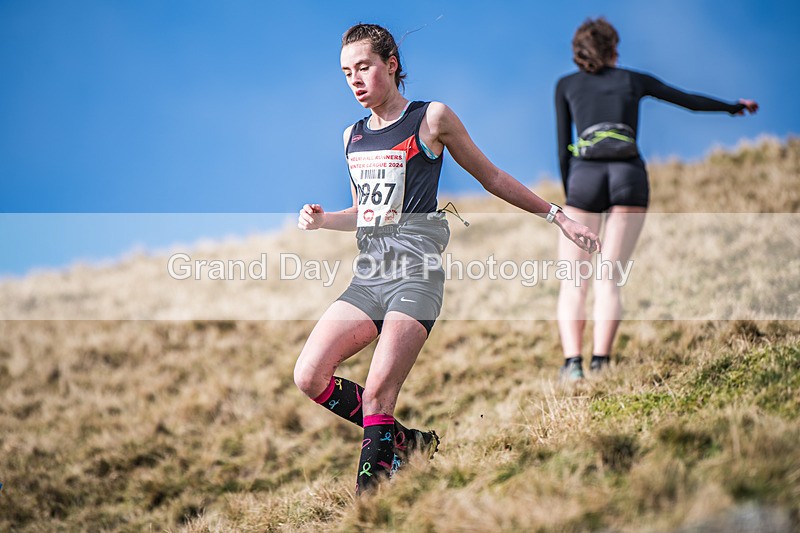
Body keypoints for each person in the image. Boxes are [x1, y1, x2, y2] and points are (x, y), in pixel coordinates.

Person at [293, 23, 600, 495]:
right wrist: (324, 219)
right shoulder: (351, 138)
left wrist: (559, 217)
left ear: (391, 65)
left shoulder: (430, 118)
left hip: (416, 276)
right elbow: (367, 212)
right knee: (309, 375)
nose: (354, 80)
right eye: (346, 72)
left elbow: (492, 176)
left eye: (364, 67)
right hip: (370, 276)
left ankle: (369, 511)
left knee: (377, 392)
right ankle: (407, 443)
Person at [554, 17, 758, 379]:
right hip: (629, 175)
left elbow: (562, 149)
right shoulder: (634, 80)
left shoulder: (566, 85)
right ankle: (601, 362)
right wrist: (732, 106)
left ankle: (573, 365)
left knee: (574, 279)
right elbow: (688, 101)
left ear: (580, 52)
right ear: (614, 49)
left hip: (584, 177)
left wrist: (573, 192)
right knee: (609, 277)